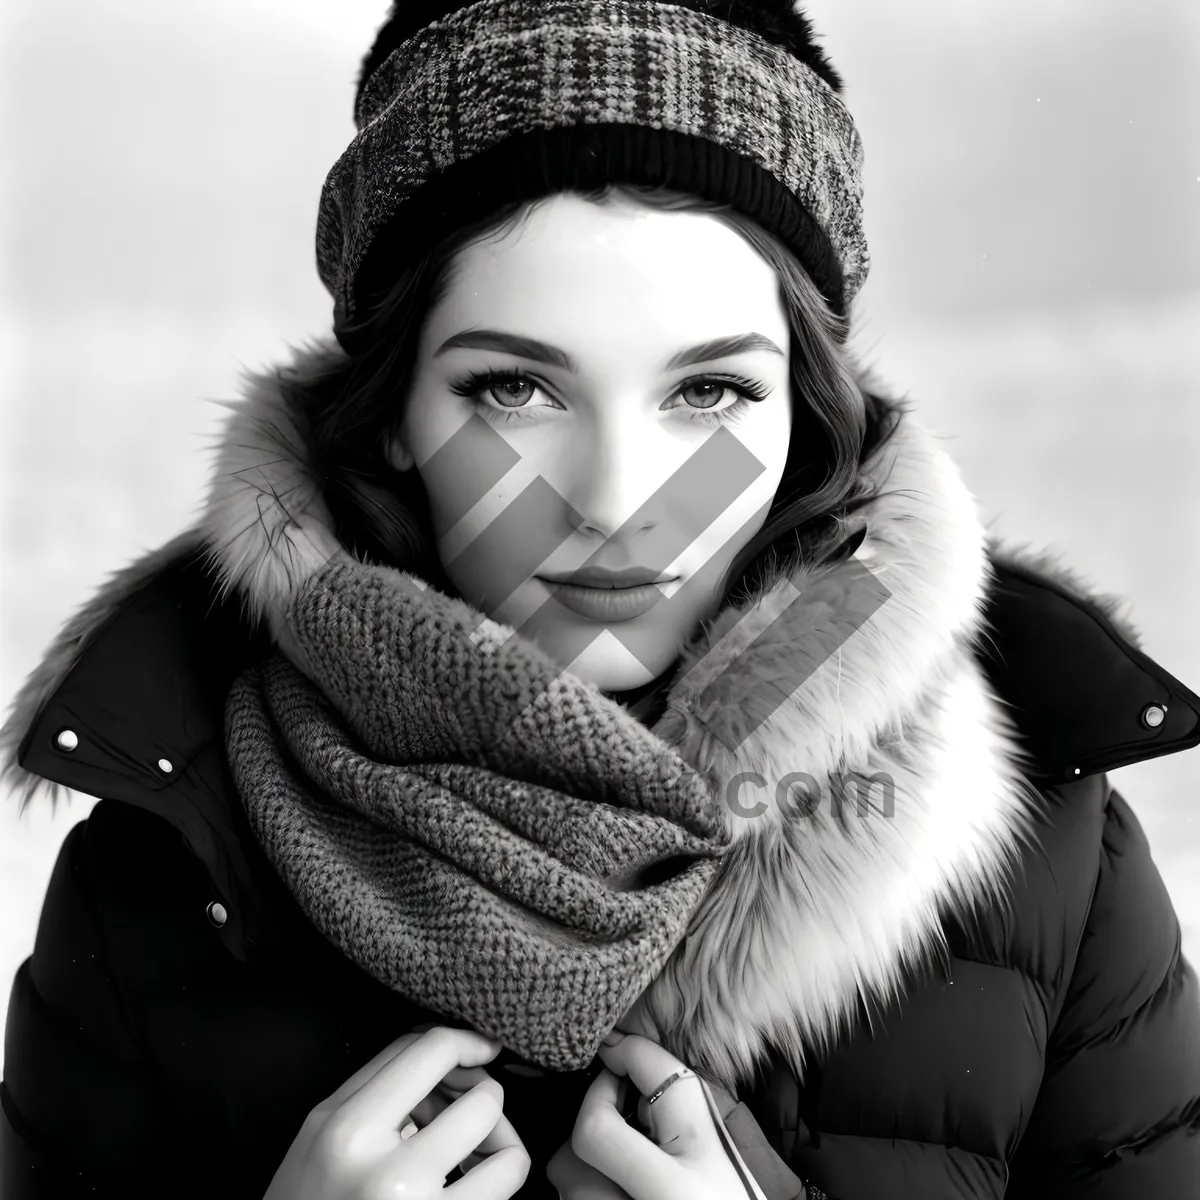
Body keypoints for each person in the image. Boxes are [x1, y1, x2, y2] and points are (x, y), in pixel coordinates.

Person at [2, 1, 1199, 1198]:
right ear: (392, 418)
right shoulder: (160, 868)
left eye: (713, 392)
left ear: (806, 417)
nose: (618, 499)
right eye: (516, 386)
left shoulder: (1058, 870)